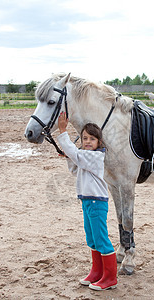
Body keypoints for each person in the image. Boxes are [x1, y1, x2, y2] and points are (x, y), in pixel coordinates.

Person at [57, 112, 117, 291]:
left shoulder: (96, 156)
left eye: (92, 138)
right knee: (92, 239)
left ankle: (110, 278)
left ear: (99, 142)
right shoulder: (84, 156)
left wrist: (62, 132)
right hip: (86, 202)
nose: (88, 141)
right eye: (84, 138)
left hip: (97, 203)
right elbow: (75, 169)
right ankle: (97, 272)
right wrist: (69, 157)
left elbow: (77, 156)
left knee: (101, 239)